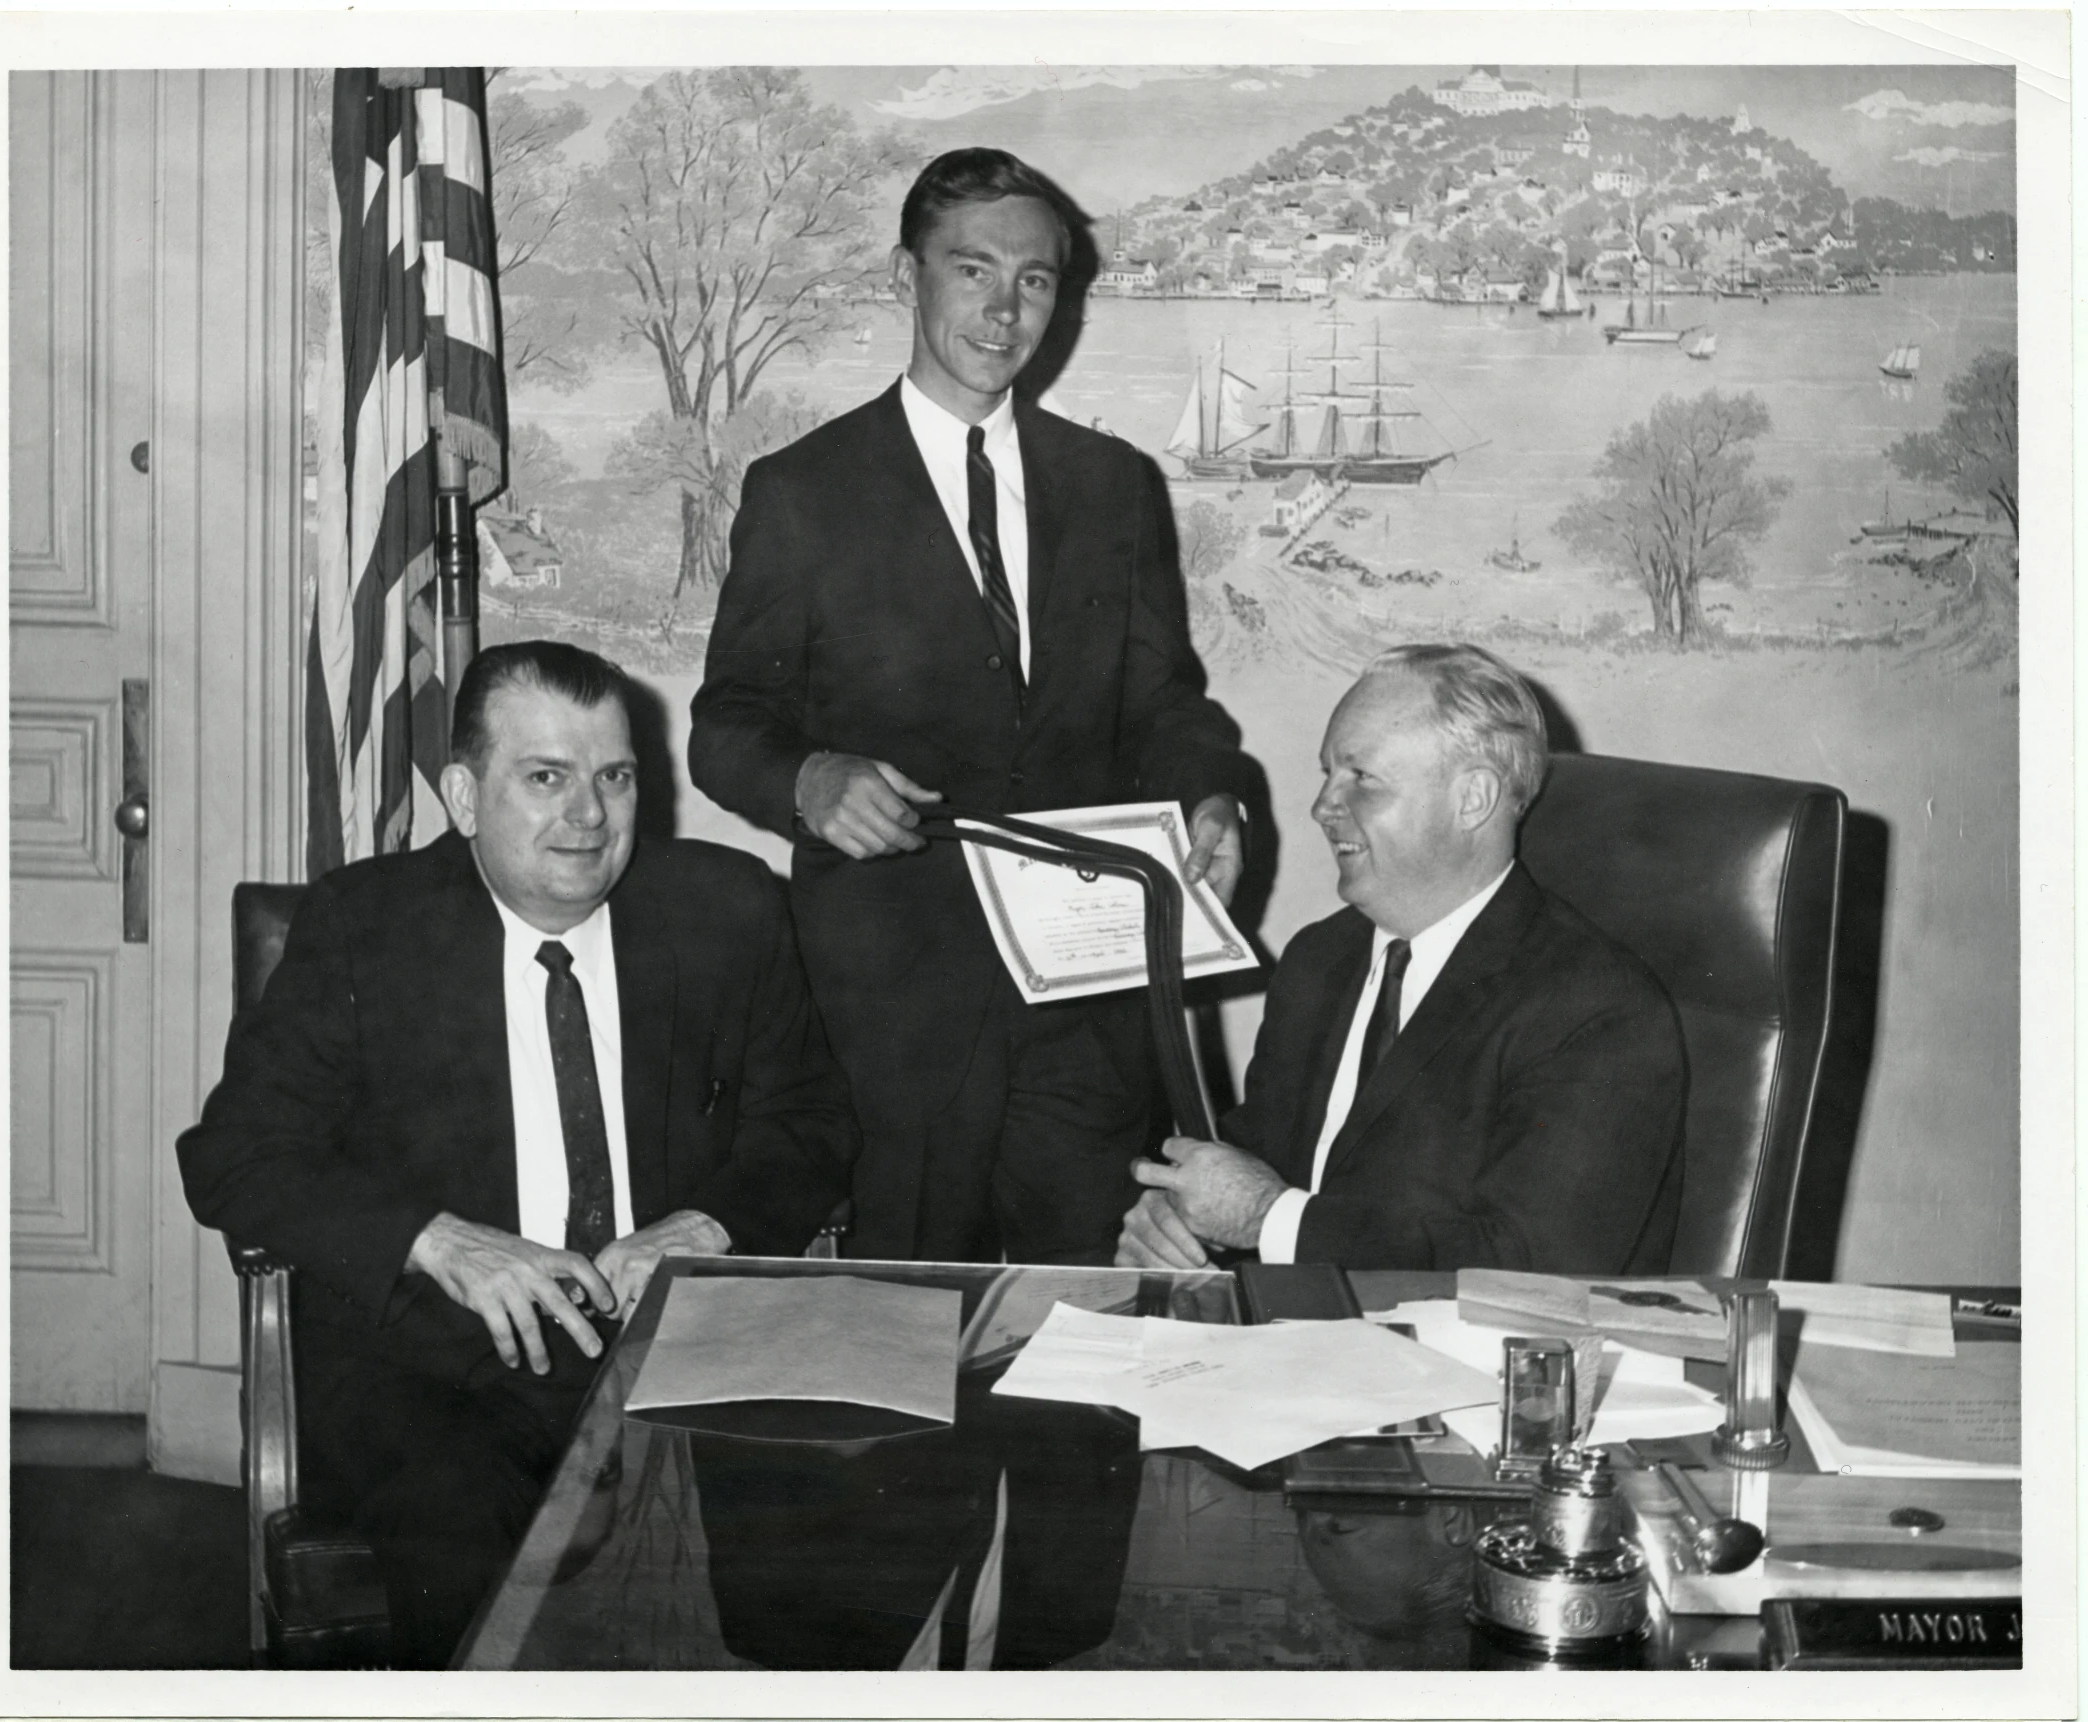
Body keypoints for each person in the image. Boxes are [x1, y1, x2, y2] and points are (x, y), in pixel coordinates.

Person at [177, 640, 858, 1668]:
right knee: (461, 1563)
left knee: (831, 1539)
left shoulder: (726, 909)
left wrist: (701, 1225)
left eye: (614, 777)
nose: (588, 816)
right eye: (545, 777)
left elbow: (812, 1124)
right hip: (438, 1366)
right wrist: (438, 1241)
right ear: (463, 794)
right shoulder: (365, 927)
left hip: (676, 1343)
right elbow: (232, 1155)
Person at [690, 148, 1256, 1266]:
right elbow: (725, 725)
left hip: (1089, 1007)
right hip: (890, 1015)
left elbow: (1161, 700)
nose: (1004, 310)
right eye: (973, 271)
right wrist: (809, 779)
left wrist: (1214, 794)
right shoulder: (803, 492)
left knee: (1092, 1350)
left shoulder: (1114, 486)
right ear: (909, 275)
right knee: (903, 1348)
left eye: (1036, 281)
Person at [1117, 644, 1685, 1274]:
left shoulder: (1595, 1008)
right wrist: (1178, 1224)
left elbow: (1532, 1269)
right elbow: (1256, 1169)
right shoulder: (1318, 960)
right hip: (1293, 1350)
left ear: (1473, 799)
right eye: (1327, 773)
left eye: (1362, 778)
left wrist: (1265, 1218)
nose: (1322, 807)